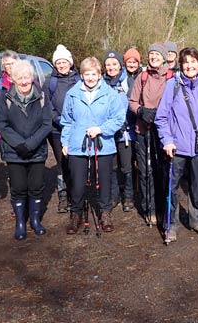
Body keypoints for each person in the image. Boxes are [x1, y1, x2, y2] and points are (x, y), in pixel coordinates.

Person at [155, 47, 198, 242]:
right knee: (172, 187)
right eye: (186, 63)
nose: (190, 66)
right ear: (181, 65)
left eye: (193, 62)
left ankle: (196, 220)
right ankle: (171, 224)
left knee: (197, 186)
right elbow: (161, 117)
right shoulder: (171, 85)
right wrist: (167, 140)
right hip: (176, 148)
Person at [61, 57, 126, 234]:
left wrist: (101, 129)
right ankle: (76, 214)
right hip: (77, 146)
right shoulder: (72, 94)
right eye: (86, 74)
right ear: (81, 75)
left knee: (105, 181)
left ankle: (105, 213)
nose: (90, 77)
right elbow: (66, 121)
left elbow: (118, 119)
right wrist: (65, 142)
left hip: (103, 145)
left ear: (99, 75)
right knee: (78, 183)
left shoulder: (110, 94)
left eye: (93, 74)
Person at [0, 60, 53, 240]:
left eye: (27, 77)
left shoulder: (41, 96)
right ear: (13, 79)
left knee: (36, 187)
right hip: (14, 152)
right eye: (19, 78)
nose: (24, 81)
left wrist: (31, 144)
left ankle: (35, 220)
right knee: (18, 187)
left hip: (36, 151)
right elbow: (1, 124)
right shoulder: (5, 98)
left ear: (32, 77)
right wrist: (19, 144)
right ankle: (20, 223)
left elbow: (47, 123)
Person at [128, 42, 172, 225]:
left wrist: (160, 113)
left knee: (163, 169)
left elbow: (176, 103)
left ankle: (163, 207)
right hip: (143, 128)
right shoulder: (142, 77)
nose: (154, 57)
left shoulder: (171, 77)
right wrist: (140, 111)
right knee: (146, 170)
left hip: (164, 131)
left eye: (157, 54)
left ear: (163, 58)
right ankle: (149, 207)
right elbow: (132, 101)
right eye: (151, 53)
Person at [43, 44, 80, 213]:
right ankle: (63, 198)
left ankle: (76, 195)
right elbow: (47, 105)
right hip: (57, 129)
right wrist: (57, 119)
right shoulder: (50, 81)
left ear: (70, 63)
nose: (62, 65)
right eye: (58, 62)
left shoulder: (79, 80)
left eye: (65, 61)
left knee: (75, 163)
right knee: (61, 163)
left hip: (77, 129)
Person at [103, 50, 136, 212]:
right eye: (108, 65)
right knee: (112, 166)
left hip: (125, 133)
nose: (111, 67)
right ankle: (114, 195)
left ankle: (128, 197)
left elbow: (133, 104)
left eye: (114, 64)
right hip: (108, 133)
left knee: (126, 166)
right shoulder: (101, 83)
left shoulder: (128, 81)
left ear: (120, 65)